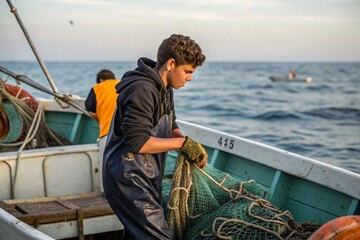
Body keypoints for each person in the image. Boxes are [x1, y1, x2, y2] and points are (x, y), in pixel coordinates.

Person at [103, 34, 207, 239]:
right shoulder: (142, 89)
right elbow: (137, 142)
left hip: (147, 176)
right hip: (127, 179)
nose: (190, 78)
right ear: (171, 64)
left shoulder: (166, 88)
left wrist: (190, 144)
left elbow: (171, 125)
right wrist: (182, 143)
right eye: (187, 71)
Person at [85, 69, 120, 191]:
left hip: (107, 133)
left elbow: (89, 107)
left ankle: (105, 195)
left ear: (100, 80)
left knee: (106, 169)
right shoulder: (123, 83)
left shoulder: (98, 87)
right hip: (127, 132)